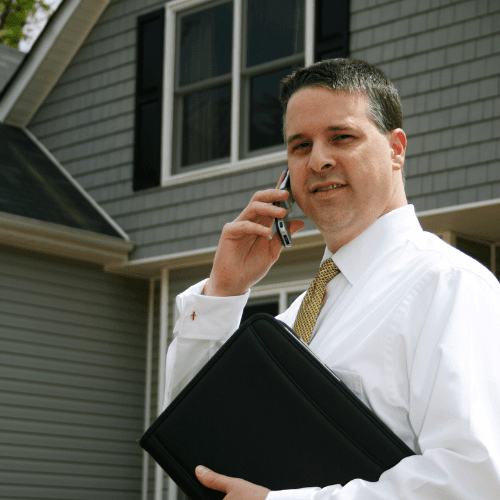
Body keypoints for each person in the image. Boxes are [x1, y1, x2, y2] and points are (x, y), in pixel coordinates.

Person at [164, 59, 500, 499]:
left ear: (396, 149)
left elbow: (475, 480)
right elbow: (195, 434)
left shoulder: (450, 286)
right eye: (300, 146)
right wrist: (224, 292)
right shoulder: (296, 319)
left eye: (341, 137)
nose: (318, 160)